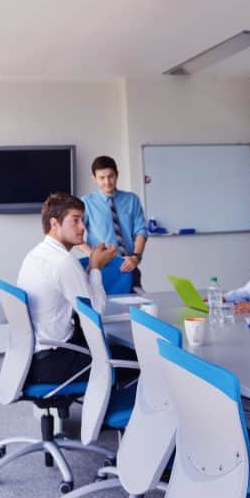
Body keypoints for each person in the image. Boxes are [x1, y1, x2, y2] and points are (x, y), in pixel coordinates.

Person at [18, 192, 136, 386]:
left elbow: (76, 292)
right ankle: (111, 414)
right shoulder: (63, 262)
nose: (83, 227)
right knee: (136, 360)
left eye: (83, 220)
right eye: (75, 220)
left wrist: (92, 266)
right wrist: (96, 267)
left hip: (34, 359)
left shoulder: (36, 254)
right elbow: (95, 312)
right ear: (54, 223)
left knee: (113, 349)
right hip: (55, 362)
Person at [79, 156, 148, 290]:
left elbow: (141, 231)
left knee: (138, 306)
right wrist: (95, 258)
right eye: (102, 178)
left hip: (128, 265)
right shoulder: (86, 202)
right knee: (102, 307)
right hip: (102, 269)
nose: (107, 182)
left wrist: (136, 257)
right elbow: (76, 237)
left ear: (117, 175)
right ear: (94, 178)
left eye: (111, 176)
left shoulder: (132, 200)